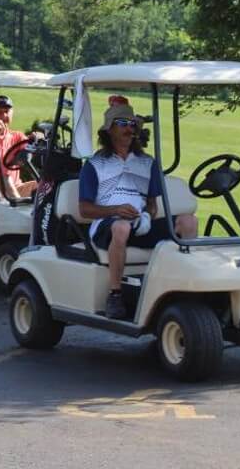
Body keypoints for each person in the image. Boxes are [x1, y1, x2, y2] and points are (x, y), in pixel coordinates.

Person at [78, 101, 198, 319]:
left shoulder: (147, 163)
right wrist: (115, 209)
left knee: (188, 222)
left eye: (132, 124)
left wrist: (147, 213)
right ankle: (115, 295)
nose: (129, 128)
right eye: (122, 123)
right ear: (109, 130)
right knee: (121, 227)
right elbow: (85, 210)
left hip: (141, 224)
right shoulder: (95, 164)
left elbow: (152, 203)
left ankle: (184, 287)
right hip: (107, 226)